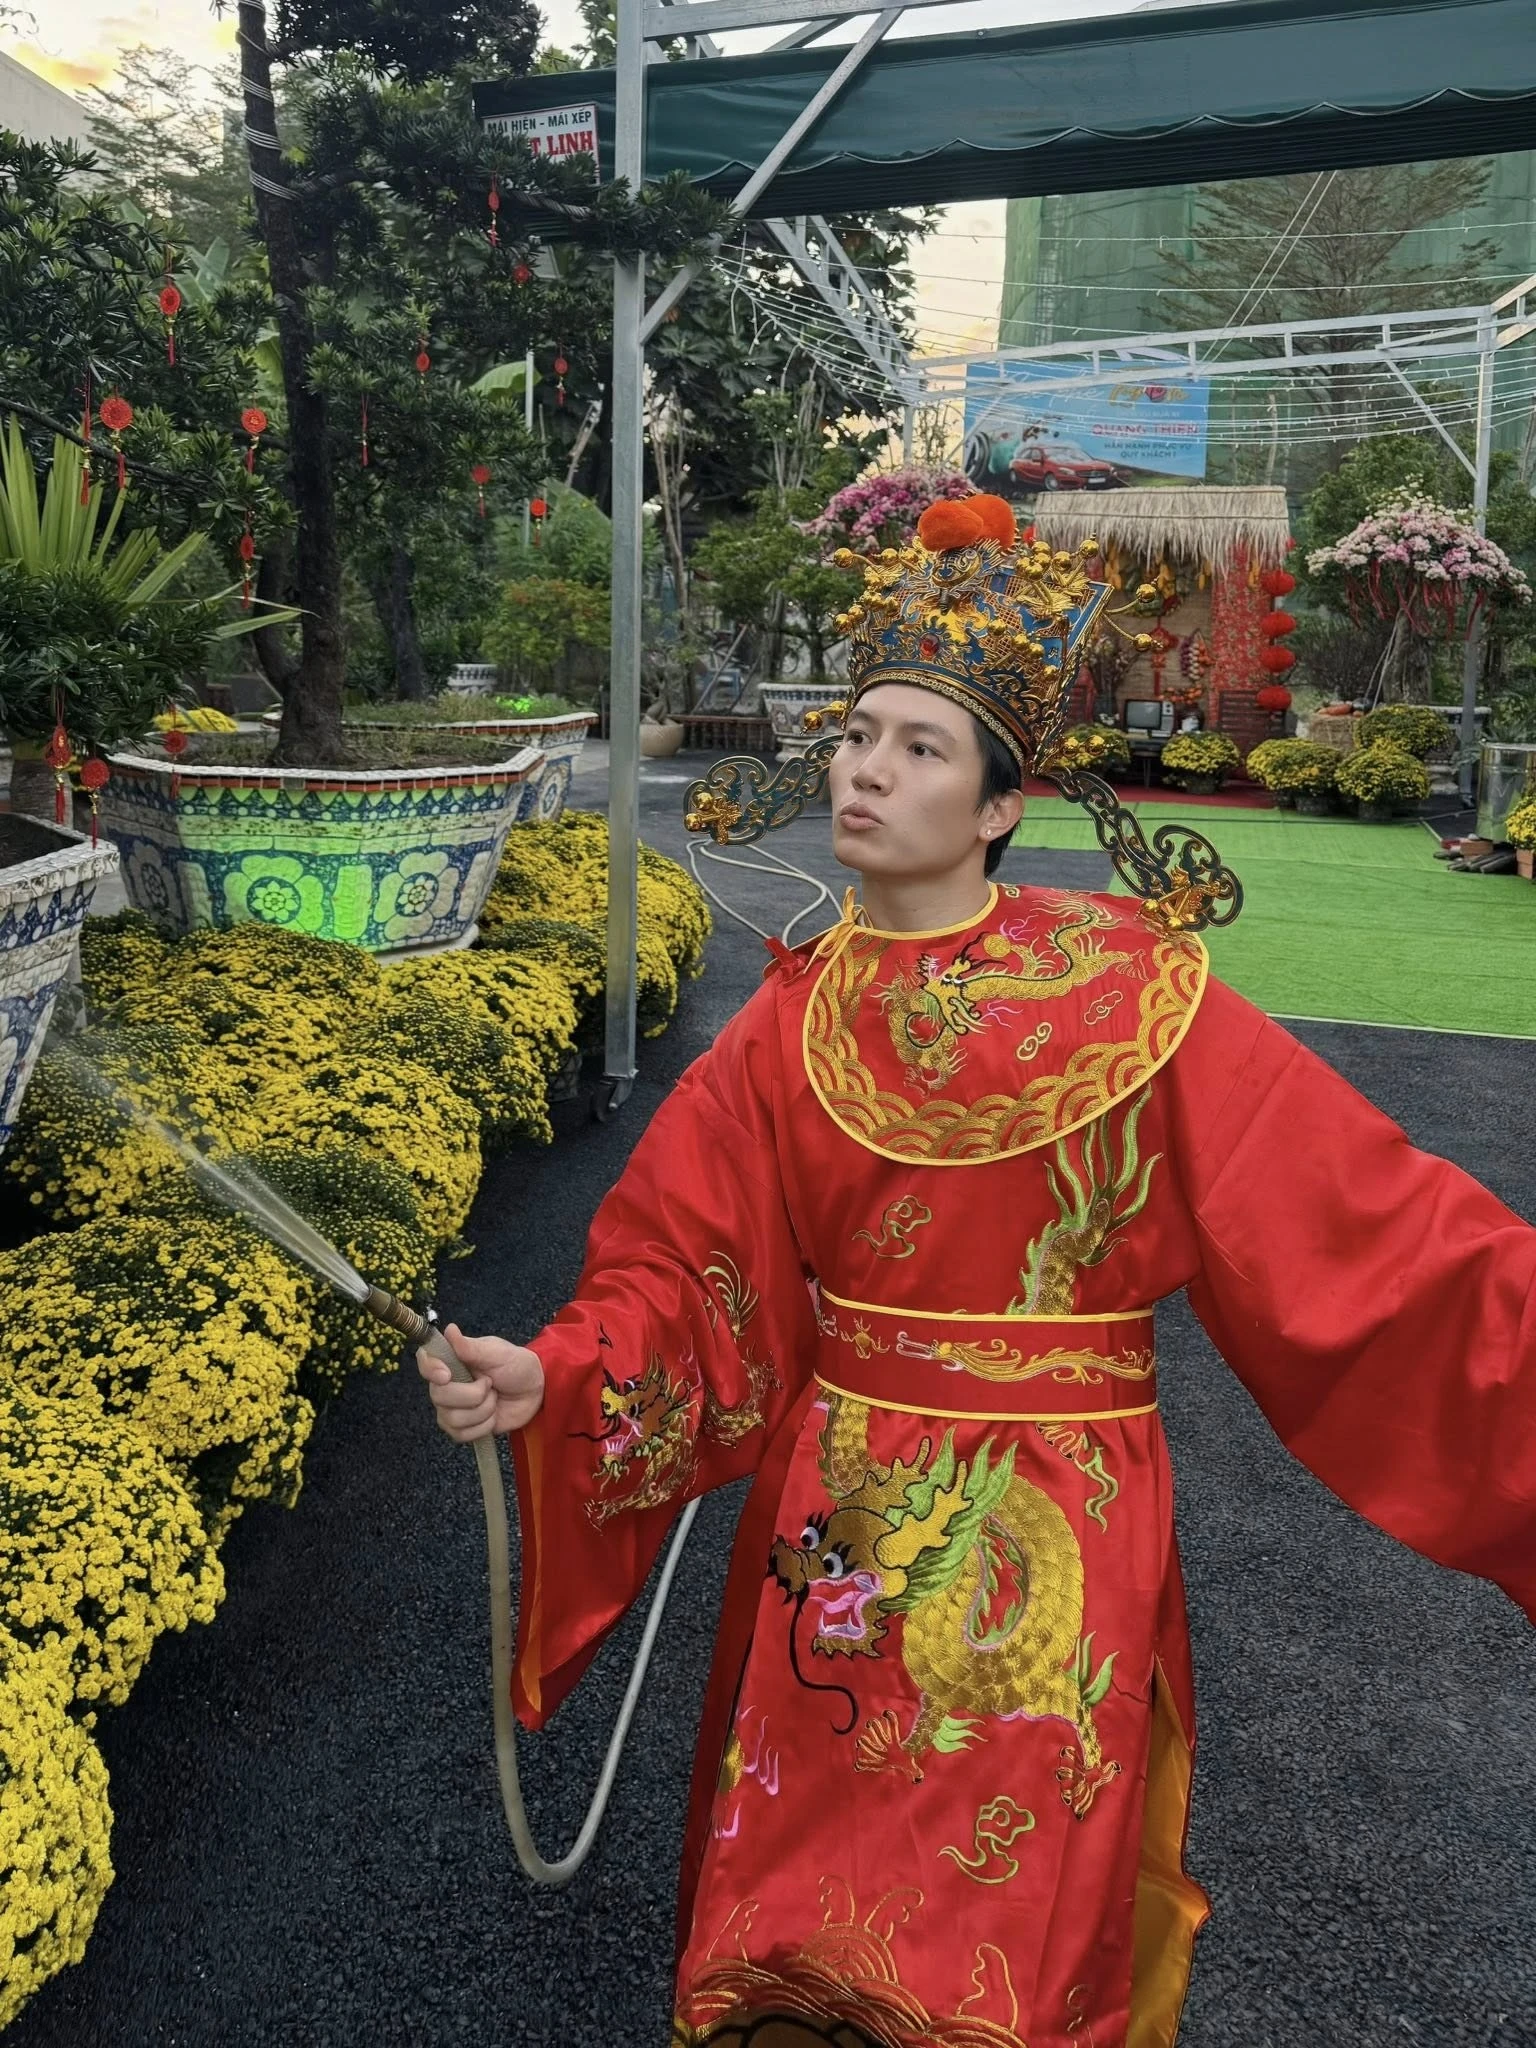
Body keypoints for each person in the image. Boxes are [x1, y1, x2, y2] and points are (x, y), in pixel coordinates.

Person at [419, 493, 1536, 2048]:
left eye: (921, 748)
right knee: (793, 1936)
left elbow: (1374, 1233)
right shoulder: (792, 1020)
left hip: (1060, 1528)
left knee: (1001, 1956)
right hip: (837, 1531)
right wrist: (554, 1376)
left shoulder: (1134, 999)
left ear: (1005, 803)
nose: (866, 770)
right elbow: (680, 1270)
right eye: (857, 735)